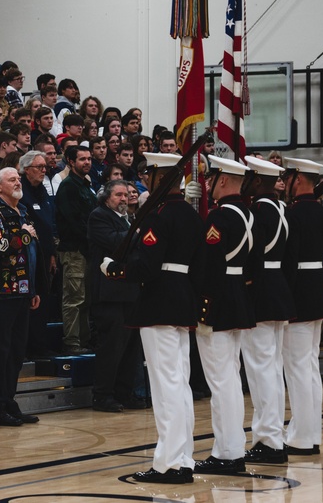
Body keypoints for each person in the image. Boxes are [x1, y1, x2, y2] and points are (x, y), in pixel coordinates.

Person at [100, 153, 204, 484]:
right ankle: (183, 456)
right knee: (180, 381)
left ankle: (170, 463)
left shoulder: (159, 216)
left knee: (166, 384)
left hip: (159, 300)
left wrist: (114, 270)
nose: (146, 179)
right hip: (183, 297)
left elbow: (146, 266)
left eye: (150, 175)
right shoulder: (190, 214)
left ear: (161, 178)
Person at [192, 156, 255, 475]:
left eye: (212, 180)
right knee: (229, 376)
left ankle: (228, 452)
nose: (208, 185)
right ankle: (231, 448)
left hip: (217, 303)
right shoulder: (247, 213)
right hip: (238, 299)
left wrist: (200, 302)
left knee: (221, 381)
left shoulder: (220, 217)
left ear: (224, 181)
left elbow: (207, 265)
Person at [236, 156, 295, 464]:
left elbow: (251, 252)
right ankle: (273, 435)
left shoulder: (258, 210)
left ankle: (269, 439)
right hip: (279, 287)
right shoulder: (282, 208)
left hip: (260, 288)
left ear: (257, 181)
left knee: (261, 371)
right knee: (271, 368)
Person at [0, 168, 45, 427]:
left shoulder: (23, 211)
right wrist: (25, 234)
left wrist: (33, 289)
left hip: (22, 290)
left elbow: (29, 256)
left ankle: (9, 401)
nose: (18, 181)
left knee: (16, 353)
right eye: (11, 179)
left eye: (18, 178)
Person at [281, 156, 323, 456]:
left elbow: (290, 259)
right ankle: (311, 432)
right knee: (310, 365)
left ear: (297, 180)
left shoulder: (294, 213)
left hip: (300, 289)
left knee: (298, 366)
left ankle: (301, 436)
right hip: (316, 286)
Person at [86, 179, 141, 413]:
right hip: (108, 292)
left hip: (129, 290)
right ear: (107, 197)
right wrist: (137, 234)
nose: (123, 199)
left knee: (130, 348)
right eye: (118, 195)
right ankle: (102, 395)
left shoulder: (128, 219)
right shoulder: (98, 216)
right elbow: (115, 242)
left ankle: (124, 392)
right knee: (111, 345)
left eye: (126, 195)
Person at [55, 145, 98, 355]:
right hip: (74, 250)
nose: (87, 162)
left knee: (86, 299)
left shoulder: (85, 184)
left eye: (89, 159)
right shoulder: (68, 186)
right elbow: (73, 221)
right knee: (74, 298)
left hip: (87, 250)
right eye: (82, 159)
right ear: (71, 162)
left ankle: (84, 339)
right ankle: (72, 341)